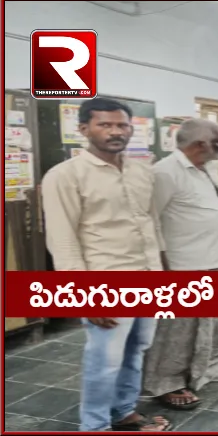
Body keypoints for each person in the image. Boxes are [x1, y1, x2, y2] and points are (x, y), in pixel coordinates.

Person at [41, 98, 170, 431]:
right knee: (105, 360)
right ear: (84, 129)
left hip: (148, 275)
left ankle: (124, 410)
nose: (115, 132)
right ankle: (95, 425)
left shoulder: (142, 171)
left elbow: (152, 223)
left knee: (137, 349)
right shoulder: (65, 175)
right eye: (105, 125)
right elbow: (62, 238)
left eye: (122, 125)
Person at [145, 119, 218, 410]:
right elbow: (150, 221)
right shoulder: (166, 172)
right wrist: (161, 266)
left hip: (217, 260)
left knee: (212, 327)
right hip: (184, 265)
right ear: (200, 144)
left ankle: (202, 370)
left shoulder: (207, 168)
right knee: (178, 331)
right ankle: (166, 383)